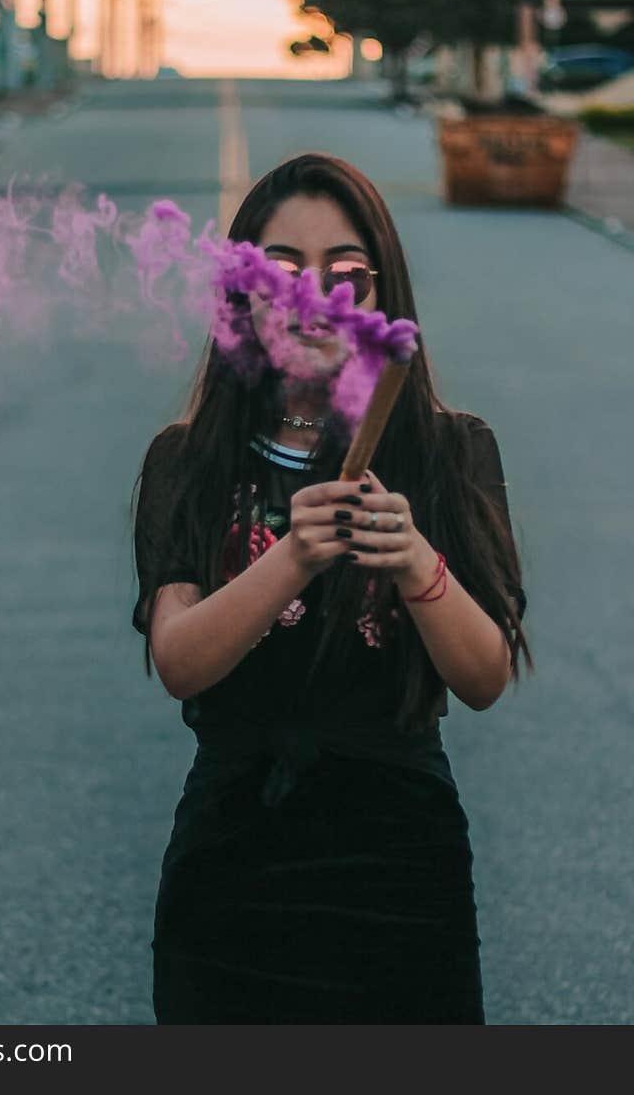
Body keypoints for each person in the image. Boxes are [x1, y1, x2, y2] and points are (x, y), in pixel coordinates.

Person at [131, 152, 531, 1024]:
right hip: (232, 866)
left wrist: (417, 561)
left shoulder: (450, 452)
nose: (317, 299)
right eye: (282, 273)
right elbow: (179, 660)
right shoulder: (188, 460)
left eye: (347, 275)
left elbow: (486, 677)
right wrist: (292, 556)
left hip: (399, 867)